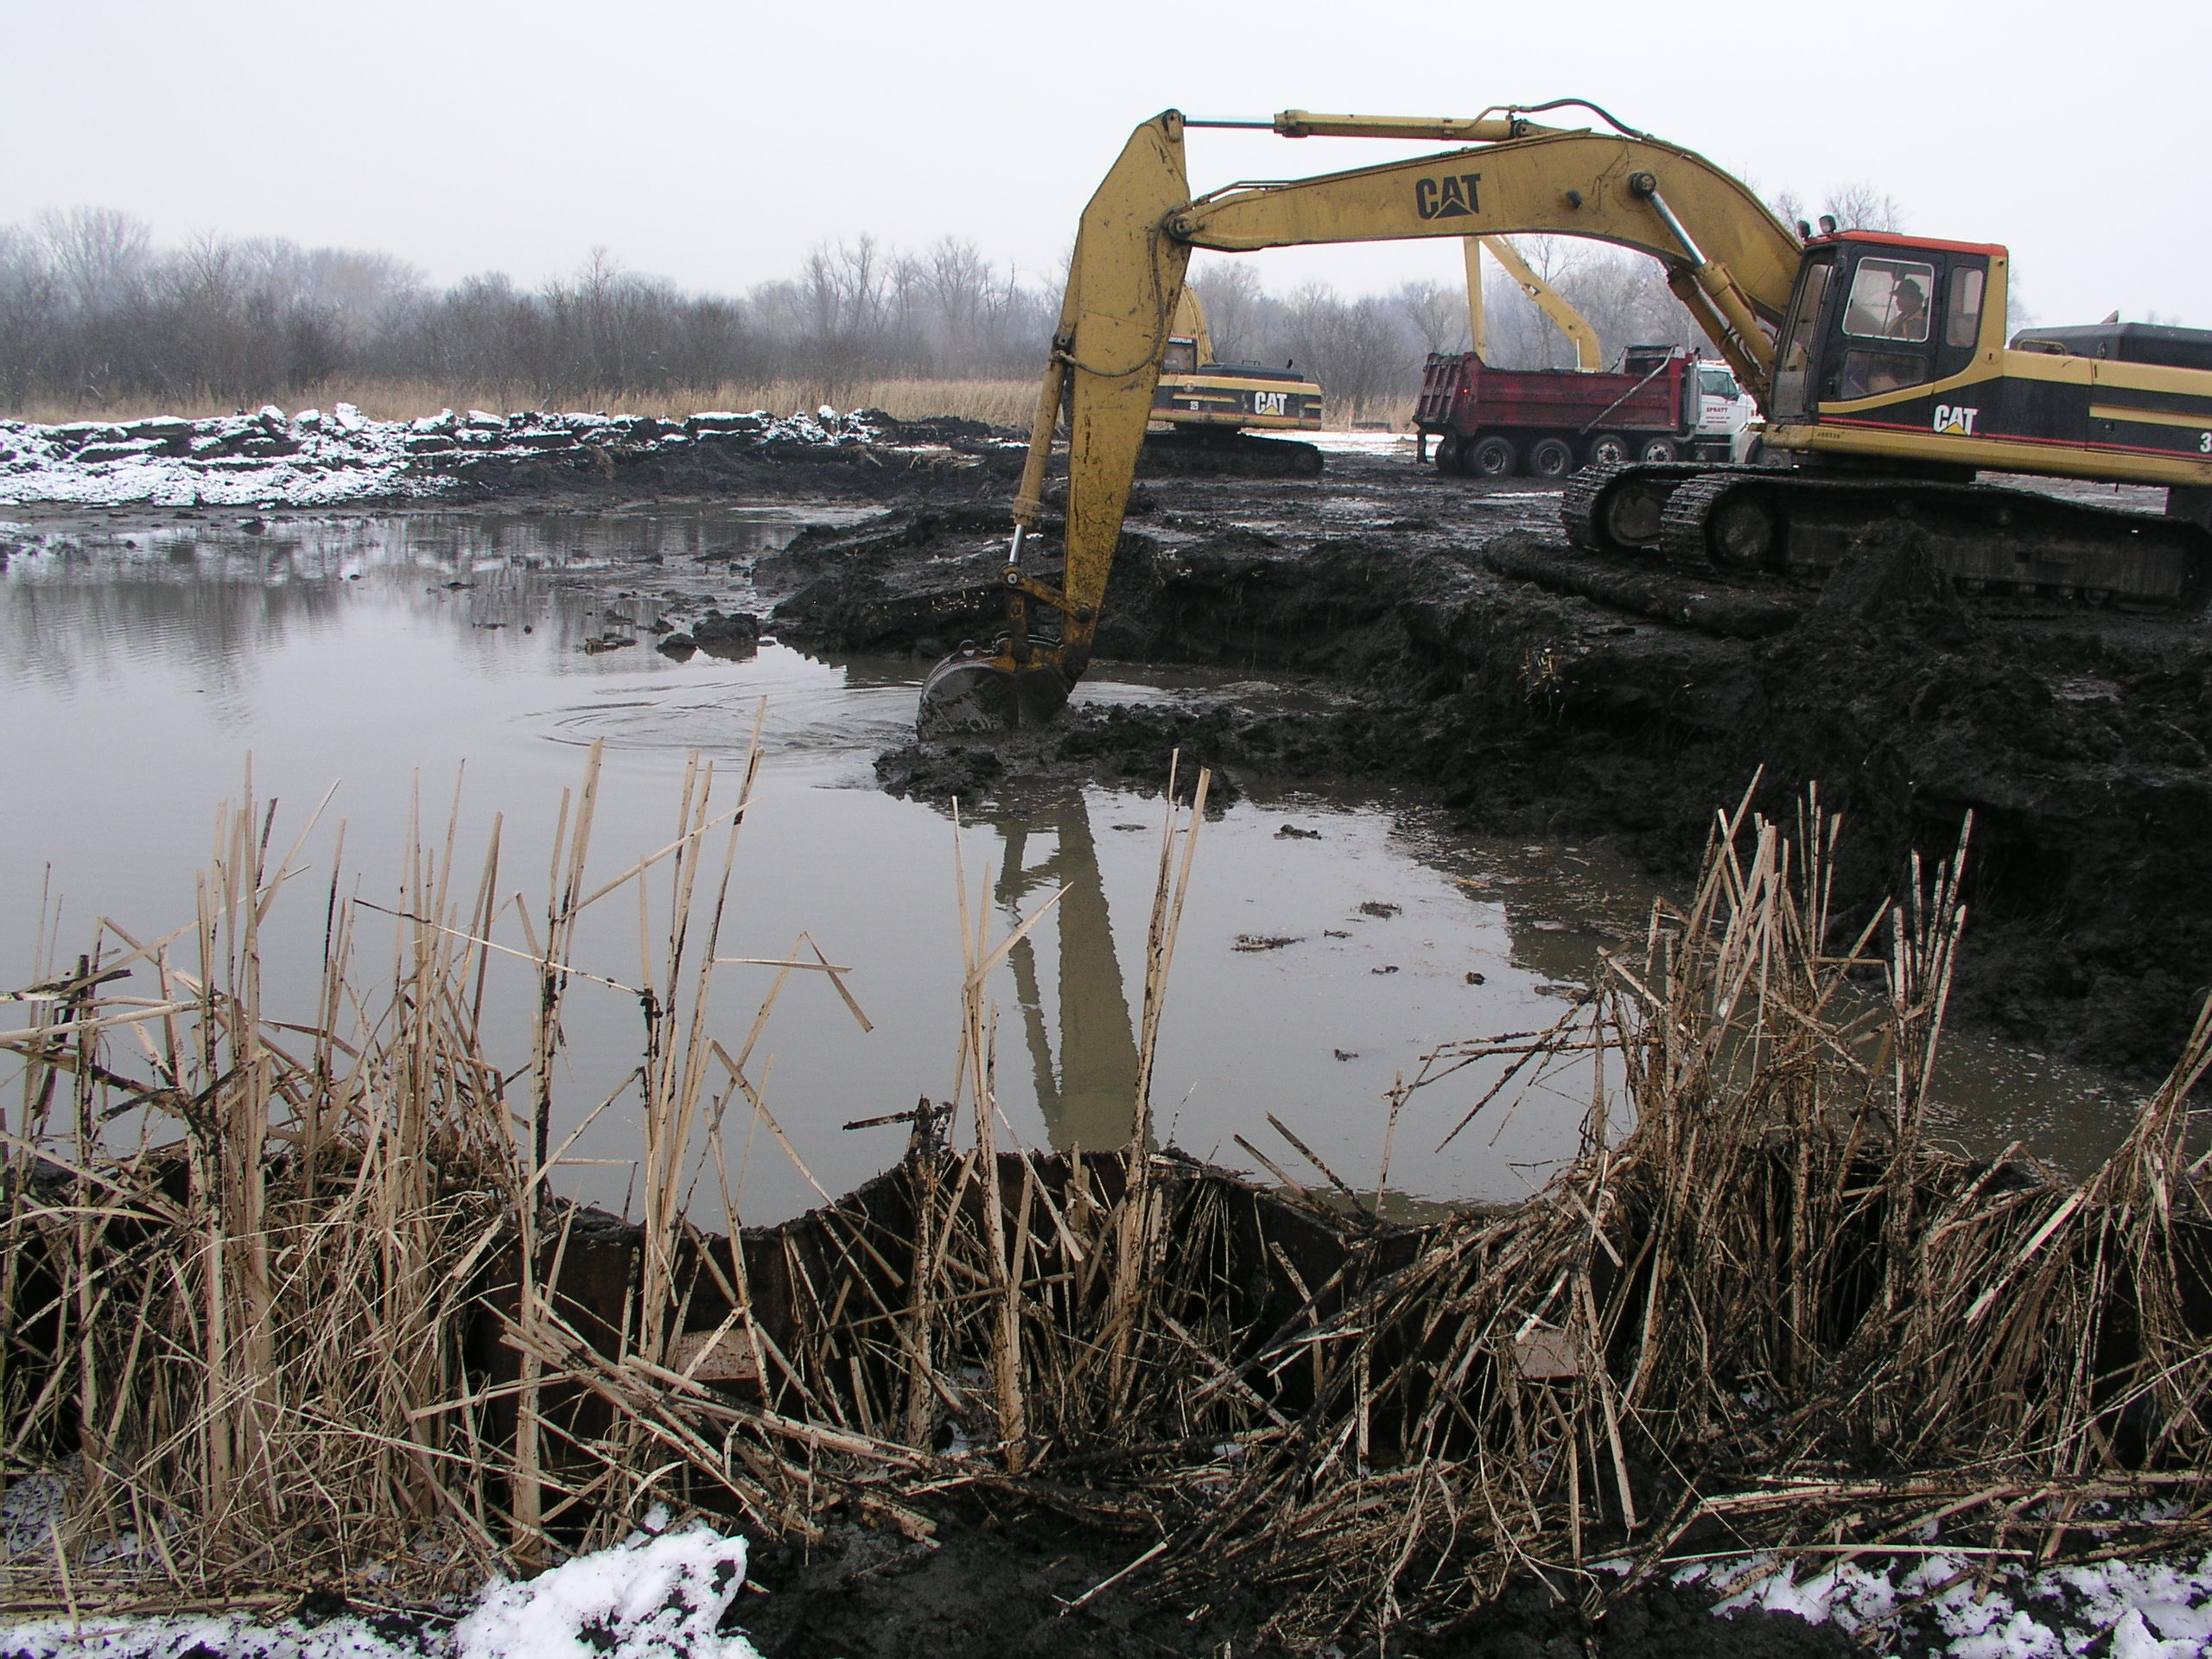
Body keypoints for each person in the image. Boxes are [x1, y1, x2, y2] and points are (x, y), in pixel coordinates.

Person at [1885, 277, 1929, 341]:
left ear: (1914, 298)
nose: (1897, 301)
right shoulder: (1896, 320)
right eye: (1898, 297)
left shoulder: (1923, 322)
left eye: (1902, 297)